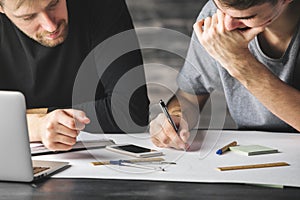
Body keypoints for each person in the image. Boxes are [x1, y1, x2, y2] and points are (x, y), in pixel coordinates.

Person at [0, 0, 149, 151]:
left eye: (53, 4)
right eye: (28, 17)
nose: (50, 26)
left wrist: (23, 120)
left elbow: (130, 112)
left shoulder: (101, 4)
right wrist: (34, 127)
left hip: (98, 154)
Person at [150, 0, 300, 150]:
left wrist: (239, 63)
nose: (227, 25)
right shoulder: (216, 15)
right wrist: (176, 116)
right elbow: (189, 97)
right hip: (249, 153)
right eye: (221, 10)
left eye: (247, 17)